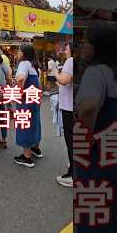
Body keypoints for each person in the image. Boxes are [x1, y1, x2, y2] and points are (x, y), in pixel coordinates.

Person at [75, 21, 117, 233]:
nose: (82, 44)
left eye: (86, 40)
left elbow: (89, 106)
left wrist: (85, 134)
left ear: (99, 46)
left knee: (95, 219)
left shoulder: (95, 73)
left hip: (97, 160)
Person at [13, 43, 42, 168]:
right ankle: (36, 149)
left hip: (25, 100)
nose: (18, 53)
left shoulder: (23, 64)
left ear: (24, 53)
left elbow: (20, 79)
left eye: (19, 51)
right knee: (35, 123)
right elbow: (39, 85)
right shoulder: (35, 66)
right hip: (34, 100)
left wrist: (17, 91)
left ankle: (27, 157)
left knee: (24, 125)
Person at [55, 43, 74, 186]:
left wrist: (55, 72)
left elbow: (64, 80)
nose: (65, 51)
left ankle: (73, 175)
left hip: (69, 108)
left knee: (71, 140)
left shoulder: (70, 61)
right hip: (74, 106)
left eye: (67, 49)